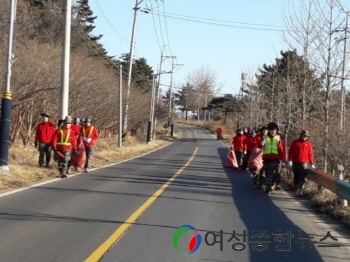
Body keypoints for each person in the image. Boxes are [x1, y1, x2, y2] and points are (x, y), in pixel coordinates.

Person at [258, 122, 286, 193]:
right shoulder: (264, 137)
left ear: (276, 131)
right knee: (268, 173)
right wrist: (261, 143)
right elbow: (258, 146)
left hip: (275, 159)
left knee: (276, 172)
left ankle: (274, 184)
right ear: (268, 131)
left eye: (274, 131)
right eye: (271, 131)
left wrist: (283, 160)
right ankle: (268, 186)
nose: (272, 132)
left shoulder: (278, 139)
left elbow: (282, 150)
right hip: (266, 159)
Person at [288, 130, 315, 196]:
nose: (304, 137)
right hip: (295, 163)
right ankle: (296, 189)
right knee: (296, 176)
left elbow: (310, 154)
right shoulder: (295, 142)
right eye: (303, 136)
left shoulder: (308, 144)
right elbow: (290, 152)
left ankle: (300, 190)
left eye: (306, 136)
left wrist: (312, 163)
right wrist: (290, 160)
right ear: (301, 135)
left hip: (304, 163)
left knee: (302, 177)